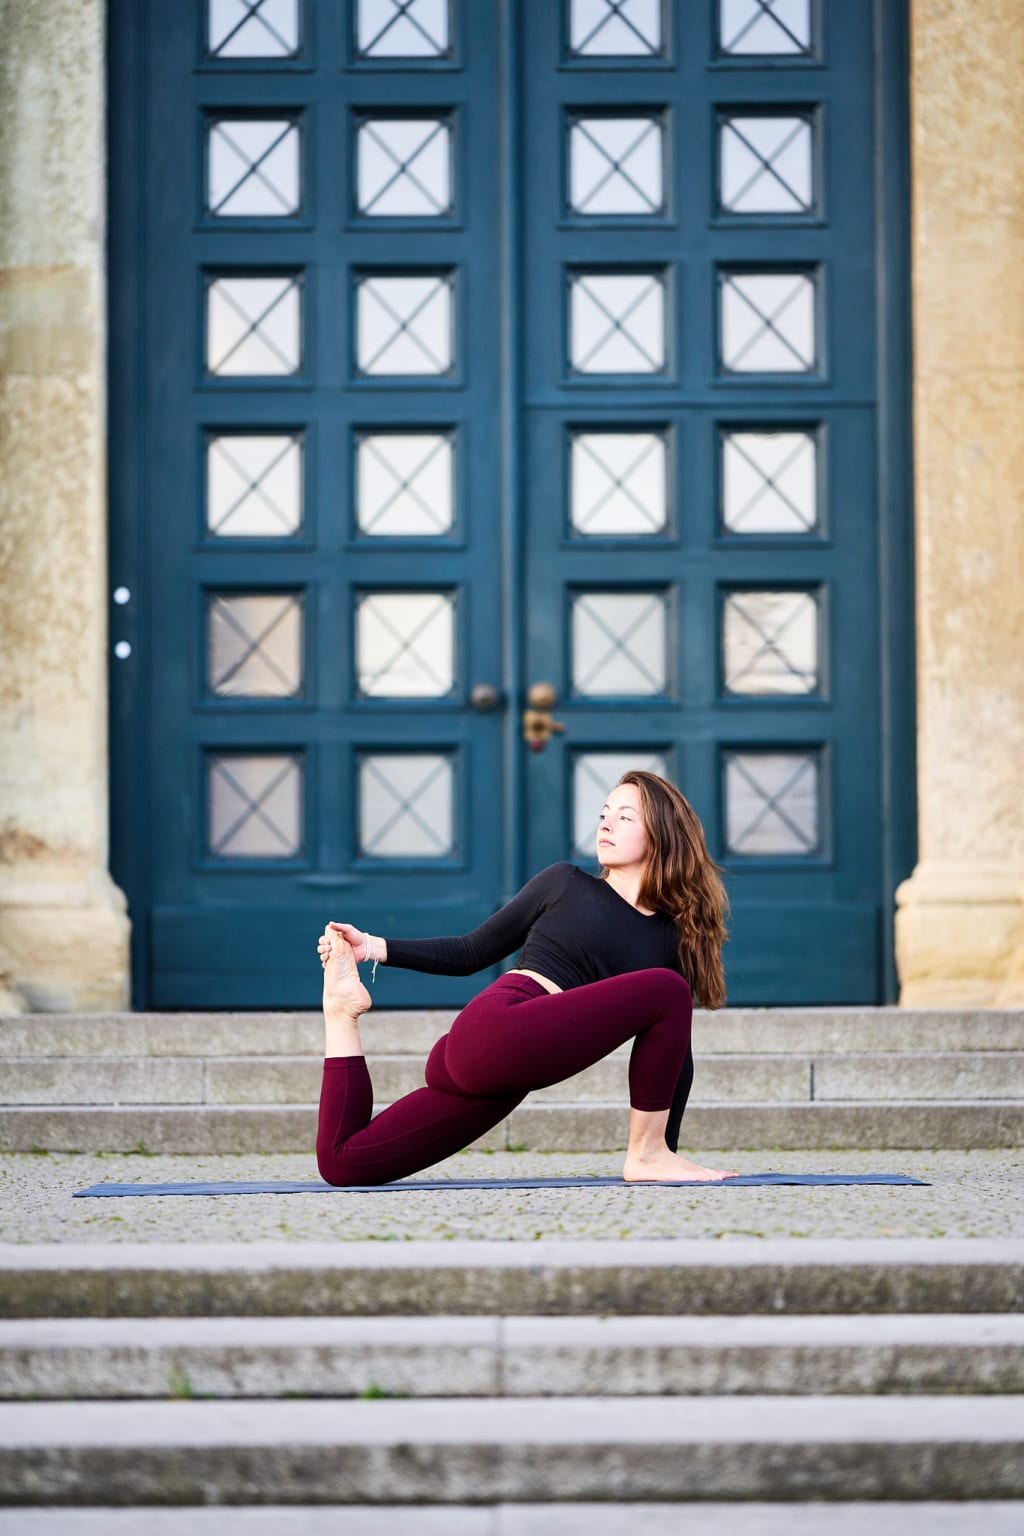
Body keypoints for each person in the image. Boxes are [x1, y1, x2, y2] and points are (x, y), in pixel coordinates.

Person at [314, 770, 738, 1186]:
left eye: (625, 817)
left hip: (507, 1067)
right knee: (667, 988)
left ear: (662, 835)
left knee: (346, 1164)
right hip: (500, 1027)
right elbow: (471, 951)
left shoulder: (668, 936)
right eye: (604, 813)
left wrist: (668, 1147)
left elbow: (675, 1054)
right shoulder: (566, 883)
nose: (606, 823)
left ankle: (340, 1012)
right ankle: (644, 1156)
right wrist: (369, 946)